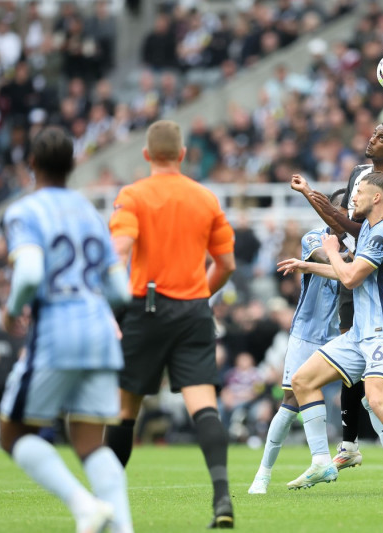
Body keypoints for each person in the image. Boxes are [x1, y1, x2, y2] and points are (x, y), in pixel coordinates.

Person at [0, 126, 134, 533]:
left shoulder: (24, 211)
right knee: (90, 441)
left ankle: (83, 505)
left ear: (32, 164)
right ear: (73, 165)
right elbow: (120, 291)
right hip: (100, 330)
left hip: (57, 329)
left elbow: (28, 274)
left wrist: (11, 311)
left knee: (12, 433)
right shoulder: (90, 212)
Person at [105, 119, 236, 529]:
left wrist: (108, 307)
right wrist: (200, 292)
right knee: (204, 406)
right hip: (193, 311)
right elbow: (226, 264)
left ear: (146, 155)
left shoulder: (134, 195)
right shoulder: (206, 198)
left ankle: (105, 501)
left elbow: (117, 252)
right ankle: (222, 499)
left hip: (146, 306)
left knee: (126, 410)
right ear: (182, 155)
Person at [278, 168, 383, 497]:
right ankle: (322, 461)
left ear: (377, 197)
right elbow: (349, 272)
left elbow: (349, 277)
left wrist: (331, 250)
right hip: (361, 334)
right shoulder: (370, 231)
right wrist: (308, 265)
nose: (354, 197)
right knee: (302, 381)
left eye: (359, 192)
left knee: (377, 400)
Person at [290, 121, 383, 473]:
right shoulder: (359, 172)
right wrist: (312, 198)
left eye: (381, 137)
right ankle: (347, 444)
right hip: (353, 267)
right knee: (347, 366)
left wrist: (333, 253)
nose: (372, 139)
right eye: (373, 133)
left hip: (372, 270)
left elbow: (370, 228)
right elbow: (342, 216)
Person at [248, 189, 346, 495]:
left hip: (341, 336)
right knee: (290, 401)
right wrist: (354, 260)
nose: (346, 216)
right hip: (307, 334)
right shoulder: (314, 238)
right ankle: (263, 474)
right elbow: (324, 260)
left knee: (373, 392)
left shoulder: (361, 242)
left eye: (351, 211)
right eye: (341, 210)